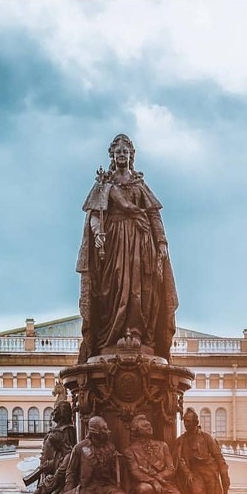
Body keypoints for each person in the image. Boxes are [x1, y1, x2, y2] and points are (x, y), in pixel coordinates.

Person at [76, 134, 178, 363]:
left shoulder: (139, 185)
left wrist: (161, 243)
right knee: (110, 287)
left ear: (131, 155)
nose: (122, 154)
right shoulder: (104, 185)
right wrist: (97, 234)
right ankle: (109, 337)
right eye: (118, 151)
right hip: (112, 242)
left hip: (141, 243)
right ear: (112, 155)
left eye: (126, 151)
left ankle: (138, 334)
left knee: (140, 290)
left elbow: (153, 215)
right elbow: (94, 215)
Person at [59, 415, 140, 494]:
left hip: (106, 486)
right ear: (95, 432)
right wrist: (69, 491)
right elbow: (71, 471)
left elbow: (114, 470)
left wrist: (117, 461)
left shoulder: (110, 447)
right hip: (89, 488)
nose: (108, 431)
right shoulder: (80, 448)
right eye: (104, 429)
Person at [14, 402, 76, 494]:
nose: (52, 413)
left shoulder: (66, 432)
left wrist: (50, 467)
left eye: (55, 411)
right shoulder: (59, 431)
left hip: (58, 481)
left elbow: (66, 457)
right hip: (49, 477)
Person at [173, 407, 231, 494]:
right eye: (185, 421)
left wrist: (224, 478)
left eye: (189, 421)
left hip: (210, 473)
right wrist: (187, 473)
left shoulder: (206, 438)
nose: (186, 424)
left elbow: (218, 457)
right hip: (195, 474)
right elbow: (179, 460)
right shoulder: (181, 440)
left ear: (196, 422)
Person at [124, 414, 184, 494]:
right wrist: (153, 481)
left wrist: (160, 477)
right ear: (137, 430)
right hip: (145, 484)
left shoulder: (163, 446)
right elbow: (135, 472)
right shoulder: (130, 451)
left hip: (165, 484)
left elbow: (171, 468)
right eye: (145, 426)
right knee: (144, 489)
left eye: (149, 424)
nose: (149, 426)